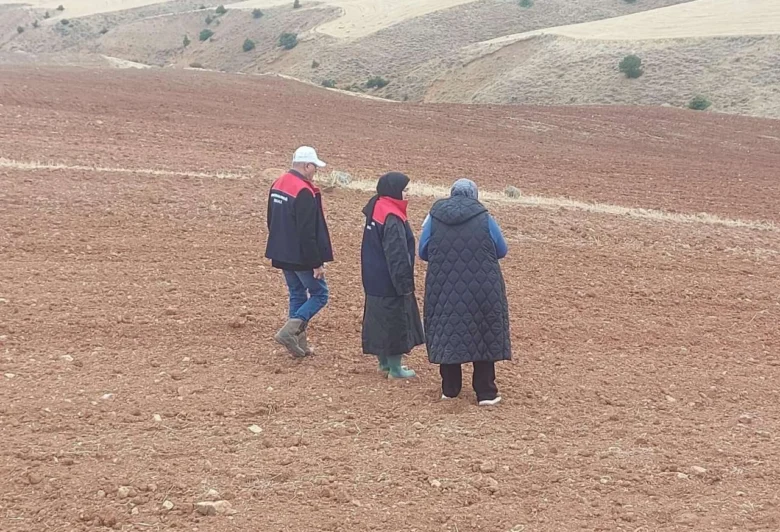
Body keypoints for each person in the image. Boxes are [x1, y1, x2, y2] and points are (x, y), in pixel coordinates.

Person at [419, 178, 510, 406]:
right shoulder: (484, 217)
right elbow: (501, 249)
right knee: (483, 331)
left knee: (448, 330)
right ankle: (486, 393)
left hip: (443, 286)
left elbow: (423, 251)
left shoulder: (434, 218)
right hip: (483, 286)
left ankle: (450, 390)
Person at [265, 146, 333, 358]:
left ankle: (299, 346)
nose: (315, 172)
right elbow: (307, 231)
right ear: (306, 165)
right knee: (320, 294)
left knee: (297, 294)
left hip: (281, 251)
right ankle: (289, 331)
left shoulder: (278, 183)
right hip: (301, 255)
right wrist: (316, 262)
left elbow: (271, 219)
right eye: (314, 167)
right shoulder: (303, 190)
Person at [360, 172, 424, 379]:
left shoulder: (376, 207)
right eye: (405, 190)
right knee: (395, 321)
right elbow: (396, 254)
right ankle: (396, 369)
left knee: (378, 320)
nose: (407, 194)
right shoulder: (392, 216)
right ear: (394, 190)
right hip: (390, 281)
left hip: (373, 277)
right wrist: (404, 284)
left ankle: (384, 363)